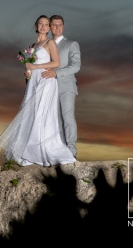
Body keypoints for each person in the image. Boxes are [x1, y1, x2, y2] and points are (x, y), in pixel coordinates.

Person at [0, 15, 76, 166]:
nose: (44, 26)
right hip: (34, 82)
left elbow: (56, 63)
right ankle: (28, 150)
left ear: (49, 28)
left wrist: (36, 67)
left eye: (47, 24)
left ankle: (40, 150)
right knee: (31, 113)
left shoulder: (50, 42)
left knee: (41, 114)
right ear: (36, 26)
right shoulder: (32, 46)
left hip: (46, 80)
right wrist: (28, 73)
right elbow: (30, 66)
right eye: (41, 23)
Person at [44, 14, 80, 157]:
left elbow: (76, 66)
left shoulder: (71, 44)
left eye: (60, 25)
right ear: (50, 27)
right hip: (48, 88)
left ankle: (71, 151)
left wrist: (56, 73)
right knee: (54, 120)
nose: (57, 27)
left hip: (66, 86)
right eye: (54, 25)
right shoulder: (45, 45)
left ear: (63, 27)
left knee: (68, 118)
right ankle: (57, 151)